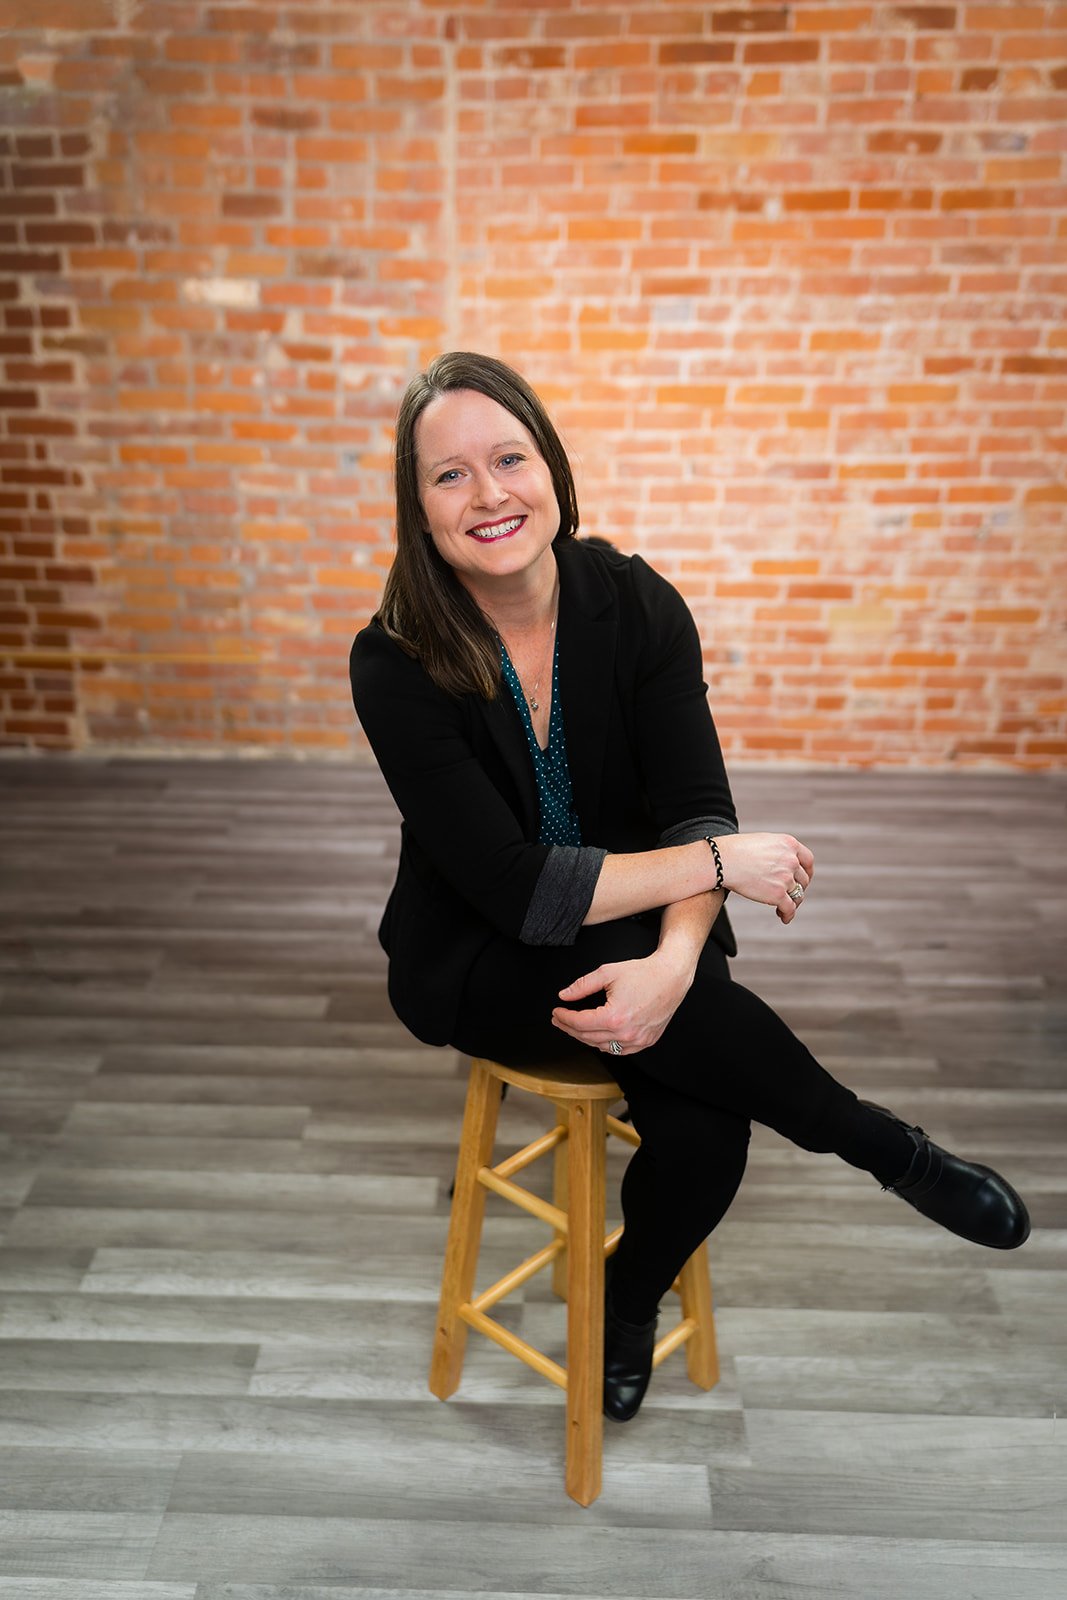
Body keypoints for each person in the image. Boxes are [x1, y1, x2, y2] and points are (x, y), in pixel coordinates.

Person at [349, 351, 1030, 1424]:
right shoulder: (392, 661)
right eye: (448, 475)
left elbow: (694, 804)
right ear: (416, 505)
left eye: (508, 458)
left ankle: (625, 1305)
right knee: (590, 951)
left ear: (551, 470)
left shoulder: (636, 604)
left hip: (641, 927)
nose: (487, 495)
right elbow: (522, 891)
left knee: (710, 1132)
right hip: (478, 953)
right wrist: (723, 866)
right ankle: (880, 1146)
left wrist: (674, 962)